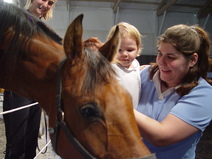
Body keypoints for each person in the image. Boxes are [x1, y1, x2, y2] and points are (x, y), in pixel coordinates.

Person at [134, 24, 212, 159]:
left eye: (171, 57)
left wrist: (119, 105)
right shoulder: (144, 75)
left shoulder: (203, 95)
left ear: (192, 60)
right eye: (160, 53)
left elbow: (161, 137)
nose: (161, 61)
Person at [3, 0, 57, 158]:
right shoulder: (15, 19)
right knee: (17, 144)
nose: (45, 4)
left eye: (50, 2)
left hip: (34, 93)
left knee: (31, 143)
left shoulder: (42, 28)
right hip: (18, 91)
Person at [107, 22, 143, 109]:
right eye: (119, 50)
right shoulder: (111, 68)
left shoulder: (135, 63)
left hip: (135, 112)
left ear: (138, 49)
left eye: (130, 50)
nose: (124, 54)